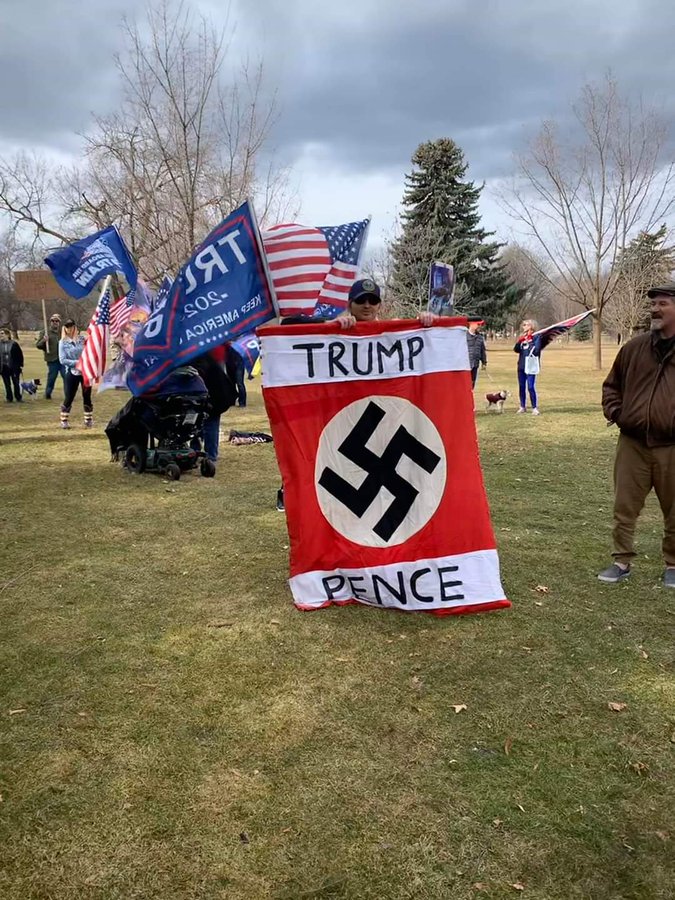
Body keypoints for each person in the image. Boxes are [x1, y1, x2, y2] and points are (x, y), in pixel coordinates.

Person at [597, 284, 675, 587]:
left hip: (671, 446)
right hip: (633, 443)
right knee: (624, 506)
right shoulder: (634, 348)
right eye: (653, 304)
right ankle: (621, 561)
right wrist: (618, 414)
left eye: (662, 304)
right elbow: (611, 386)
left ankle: (673, 564)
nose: (654, 309)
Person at [190, 346, 237, 465]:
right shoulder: (205, 352)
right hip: (210, 393)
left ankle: (209, 456)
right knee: (198, 424)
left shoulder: (199, 356)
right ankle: (198, 452)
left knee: (208, 424)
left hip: (213, 395)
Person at [59, 320, 93, 429]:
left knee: (87, 395)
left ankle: (88, 419)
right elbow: (62, 360)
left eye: (71, 326)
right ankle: (64, 420)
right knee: (69, 396)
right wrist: (78, 363)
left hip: (85, 372)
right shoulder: (63, 342)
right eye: (67, 327)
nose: (69, 329)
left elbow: (91, 347)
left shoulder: (82, 339)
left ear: (75, 327)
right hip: (72, 372)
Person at [513, 319, 541, 415]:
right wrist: (520, 341)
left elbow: (537, 350)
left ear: (531, 326)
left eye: (526, 325)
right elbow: (516, 350)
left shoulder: (536, 337)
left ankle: (534, 407)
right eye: (523, 325)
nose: (524, 326)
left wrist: (530, 341)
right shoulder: (522, 337)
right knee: (521, 386)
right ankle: (522, 406)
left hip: (531, 366)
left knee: (530, 386)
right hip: (521, 365)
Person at [36, 313, 64, 399]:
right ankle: (48, 394)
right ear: (50, 322)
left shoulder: (63, 332)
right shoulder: (45, 332)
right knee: (52, 378)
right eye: (53, 321)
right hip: (52, 360)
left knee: (67, 377)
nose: (55, 322)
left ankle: (69, 394)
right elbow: (38, 345)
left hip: (63, 359)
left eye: (57, 321)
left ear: (59, 322)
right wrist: (44, 340)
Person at [0, 327, 24, 403]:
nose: (1, 335)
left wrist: (20, 365)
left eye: (2, 333)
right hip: (3, 367)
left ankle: (18, 397)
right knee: (7, 384)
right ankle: (9, 398)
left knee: (16, 383)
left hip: (14, 367)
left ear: (7, 335)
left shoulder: (14, 344)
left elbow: (20, 355)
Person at [466, 316, 487, 387]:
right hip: (465, 365)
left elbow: (482, 350)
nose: (480, 326)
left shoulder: (480, 337)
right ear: (471, 324)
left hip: (475, 364)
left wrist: (484, 362)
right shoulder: (464, 336)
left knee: (472, 383)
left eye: (481, 325)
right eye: (478, 324)